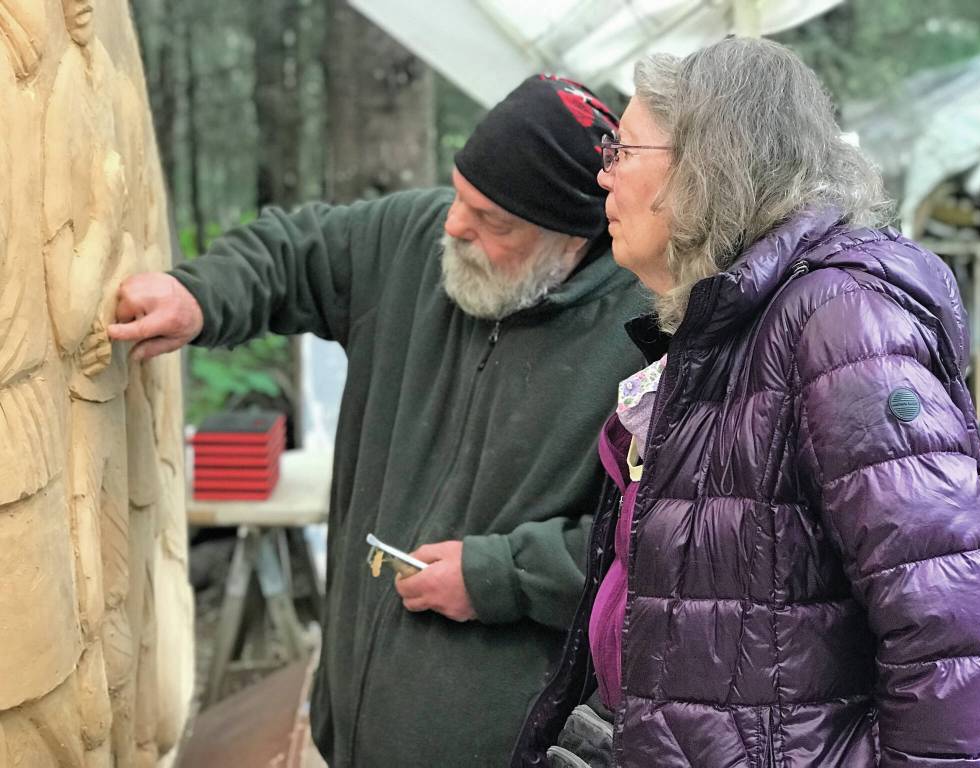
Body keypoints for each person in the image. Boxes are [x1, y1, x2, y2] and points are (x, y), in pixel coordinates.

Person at [513, 38, 980, 768]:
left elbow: (954, 638)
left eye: (621, 151)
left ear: (705, 163)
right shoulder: (730, 323)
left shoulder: (840, 322)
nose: (605, 177)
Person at [109, 76, 647, 767]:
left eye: (494, 221)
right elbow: (291, 251)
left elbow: (657, 547)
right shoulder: (413, 239)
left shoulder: (643, 333)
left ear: (570, 236)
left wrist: (498, 576)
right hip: (354, 733)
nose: (455, 226)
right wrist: (197, 295)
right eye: (459, 195)